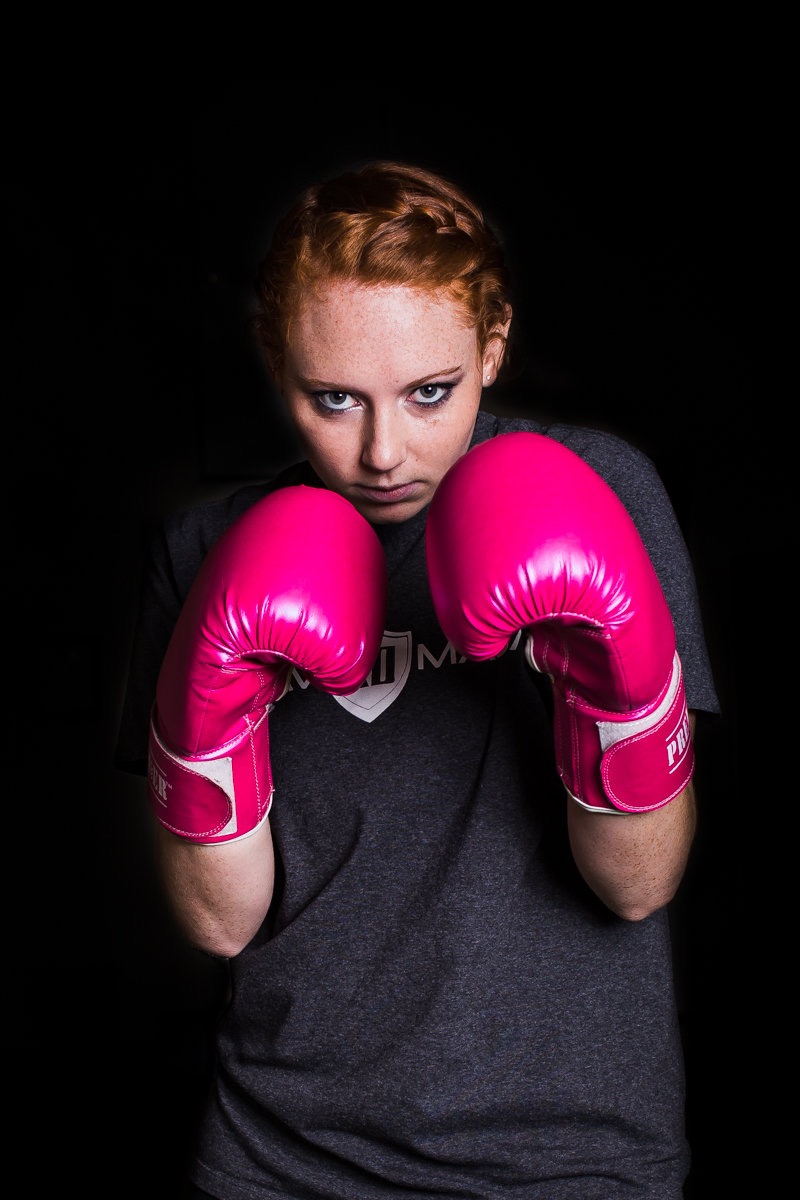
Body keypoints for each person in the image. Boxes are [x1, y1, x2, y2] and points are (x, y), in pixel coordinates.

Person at [115, 159, 720, 1199]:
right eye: (333, 399)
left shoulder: (597, 493)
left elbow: (638, 884)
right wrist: (209, 719)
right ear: (277, 366)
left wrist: (605, 694)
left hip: (565, 1157)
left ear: (492, 348)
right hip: (279, 1154)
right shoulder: (206, 548)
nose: (383, 451)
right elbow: (219, 925)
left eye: (428, 393)